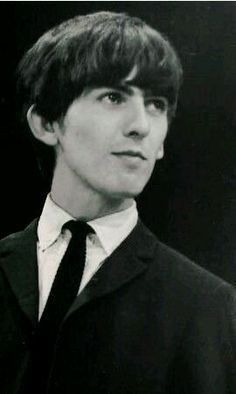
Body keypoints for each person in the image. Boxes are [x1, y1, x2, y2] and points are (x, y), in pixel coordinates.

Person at [0, 11, 235, 394]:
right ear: (45, 122)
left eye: (157, 104)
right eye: (113, 96)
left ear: (161, 144)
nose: (141, 124)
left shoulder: (208, 307)